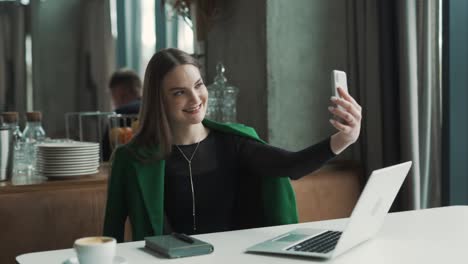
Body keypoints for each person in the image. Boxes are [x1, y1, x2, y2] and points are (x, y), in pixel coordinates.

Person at [103, 48, 362, 242]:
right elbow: (110, 233)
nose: (195, 99)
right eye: (179, 92)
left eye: (198, 85)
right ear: (159, 100)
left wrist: (344, 139)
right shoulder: (130, 158)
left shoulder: (235, 142)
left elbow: (290, 165)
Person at [102, 69, 142, 161]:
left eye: (113, 95)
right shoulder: (156, 109)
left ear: (122, 93)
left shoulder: (120, 113)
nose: (114, 102)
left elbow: (105, 154)